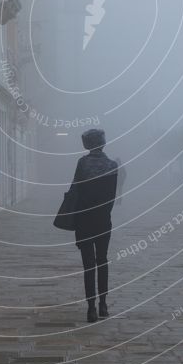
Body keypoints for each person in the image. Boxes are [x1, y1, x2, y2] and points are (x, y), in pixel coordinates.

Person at [71, 128, 117, 323]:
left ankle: (91, 308)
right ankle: (103, 305)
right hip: (103, 220)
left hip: (84, 220)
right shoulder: (112, 165)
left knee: (88, 265)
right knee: (102, 260)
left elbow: (75, 191)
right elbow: (112, 197)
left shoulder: (82, 164)